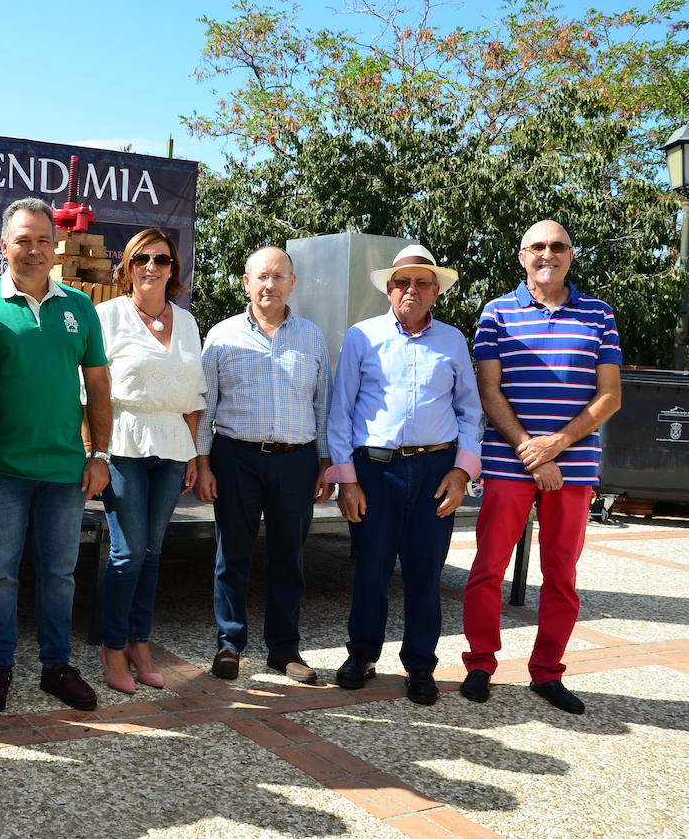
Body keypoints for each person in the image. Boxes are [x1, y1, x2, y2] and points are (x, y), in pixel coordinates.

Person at [460, 220, 622, 715]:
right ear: (521, 255)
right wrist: (531, 449)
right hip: (510, 462)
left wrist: (556, 445)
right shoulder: (496, 313)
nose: (547, 254)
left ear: (570, 255)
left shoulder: (598, 314)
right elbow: (490, 391)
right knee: (488, 568)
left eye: (557, 246)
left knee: (561, 575)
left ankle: (547, 672)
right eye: (537, 246)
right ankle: (480, 665)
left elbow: (610, 396)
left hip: (571, 466)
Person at [326, 244, 482, 706]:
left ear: (435, 292)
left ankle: (420, 666)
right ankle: (362, 656)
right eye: (401, 282)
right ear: (389, 290)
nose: (410, 290)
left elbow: (470, 413)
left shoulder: (453, 341)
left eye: (420, 283)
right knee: (371, 569)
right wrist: (346, 479)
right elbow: (341, 413)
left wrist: (461, 472)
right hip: (376, 471)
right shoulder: (361, 336)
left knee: (424, 573)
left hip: (437, 469)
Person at [0, 198, 111, 714]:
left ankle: (57, 667)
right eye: (23, 240)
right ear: (4, 245)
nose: (33, 250)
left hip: (64, 470)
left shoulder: (78, 307)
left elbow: (99, 386)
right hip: (0, 469)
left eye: (42, 241)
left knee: (59, 573)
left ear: (56, 248)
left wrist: (100, 455)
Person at [195, 246, 331, 685]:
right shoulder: (221, 336)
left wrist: (326, 461)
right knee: (231, 553)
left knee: (289, 556)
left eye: (279, 276)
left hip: (296, 461)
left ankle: (284, 649)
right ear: (246, 283)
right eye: (261, 277)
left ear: (293, 282)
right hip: (236, 456)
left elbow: (323, 405)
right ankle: (230, 643)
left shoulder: (312, 336)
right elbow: (205, 404)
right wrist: (203, 462)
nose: (269, 284)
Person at [95, 228, 204, 693]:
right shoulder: (108, 315)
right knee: (126, 553)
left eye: (161, 260)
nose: (151, 267)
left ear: (172, 269)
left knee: (154, 552)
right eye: (142, 258)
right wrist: (93, 451)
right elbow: (93, 391)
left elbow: (194, 396)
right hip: (123, 443)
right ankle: (112, 646)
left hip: (174, 447)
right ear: (129, 266)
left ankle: (140, 642)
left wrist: (194, 454)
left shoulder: (189, 322)